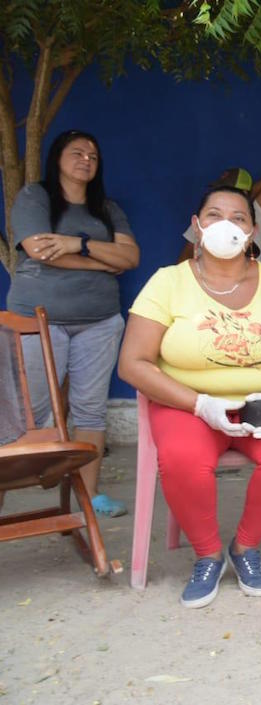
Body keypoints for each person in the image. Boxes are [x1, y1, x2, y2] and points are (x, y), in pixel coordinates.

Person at [118, 185, 261, 608]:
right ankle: (208, 553)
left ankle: (245, 547)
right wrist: (199, 404)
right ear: (196, 226)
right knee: (181, 459)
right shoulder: (167, 283)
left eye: (238, 217)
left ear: (252, 232)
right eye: (214, 215)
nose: (225, 224)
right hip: (188, 403)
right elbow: (133, 363)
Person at [5, 129, 139, 518]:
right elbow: (38, 250)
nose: (86, 160)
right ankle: (10, 484)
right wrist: (104, 261)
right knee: (28, 409)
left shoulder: (106, 208)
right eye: (77, 152)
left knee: (90, 409)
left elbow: (130, 257)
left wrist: (76, 244)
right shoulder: (36, 197)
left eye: (93, 156)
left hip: (99, 321)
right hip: (37, 319)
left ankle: (90, 495)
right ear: (57, 158)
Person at [178, 168, 261, 261]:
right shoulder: (206, 219)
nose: (221, 195)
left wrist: (242, 203)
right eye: (219, 191)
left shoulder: (255, 216)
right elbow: (187, 253)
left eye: (228, 191)